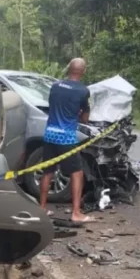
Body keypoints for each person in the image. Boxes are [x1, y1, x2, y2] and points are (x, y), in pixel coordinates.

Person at [39, 58, 94, 223]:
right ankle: (76, 213)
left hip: (49, 134)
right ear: (83, 71)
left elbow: (52, 106)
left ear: (68, 69)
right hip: (66, 138)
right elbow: (84, 118)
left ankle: (42, 208)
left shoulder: (55, 86)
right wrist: (81, 114)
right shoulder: (83, 91)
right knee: (77, 173)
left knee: (47, 172)